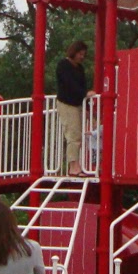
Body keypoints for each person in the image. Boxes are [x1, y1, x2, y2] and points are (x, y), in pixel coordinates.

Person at [54, 40, 93, 175]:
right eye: (80, 54)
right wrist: (84, 94)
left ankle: (79, 164)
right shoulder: (63, 65)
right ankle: (73, 166)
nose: (82, 57)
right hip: (66, 104)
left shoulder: (80, 68)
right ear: (74, 52)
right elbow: (69, 85)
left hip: (77, 104)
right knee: (73, 135)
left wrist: (87, 107)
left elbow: (82, 87)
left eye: (83, 54)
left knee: (80, 134)